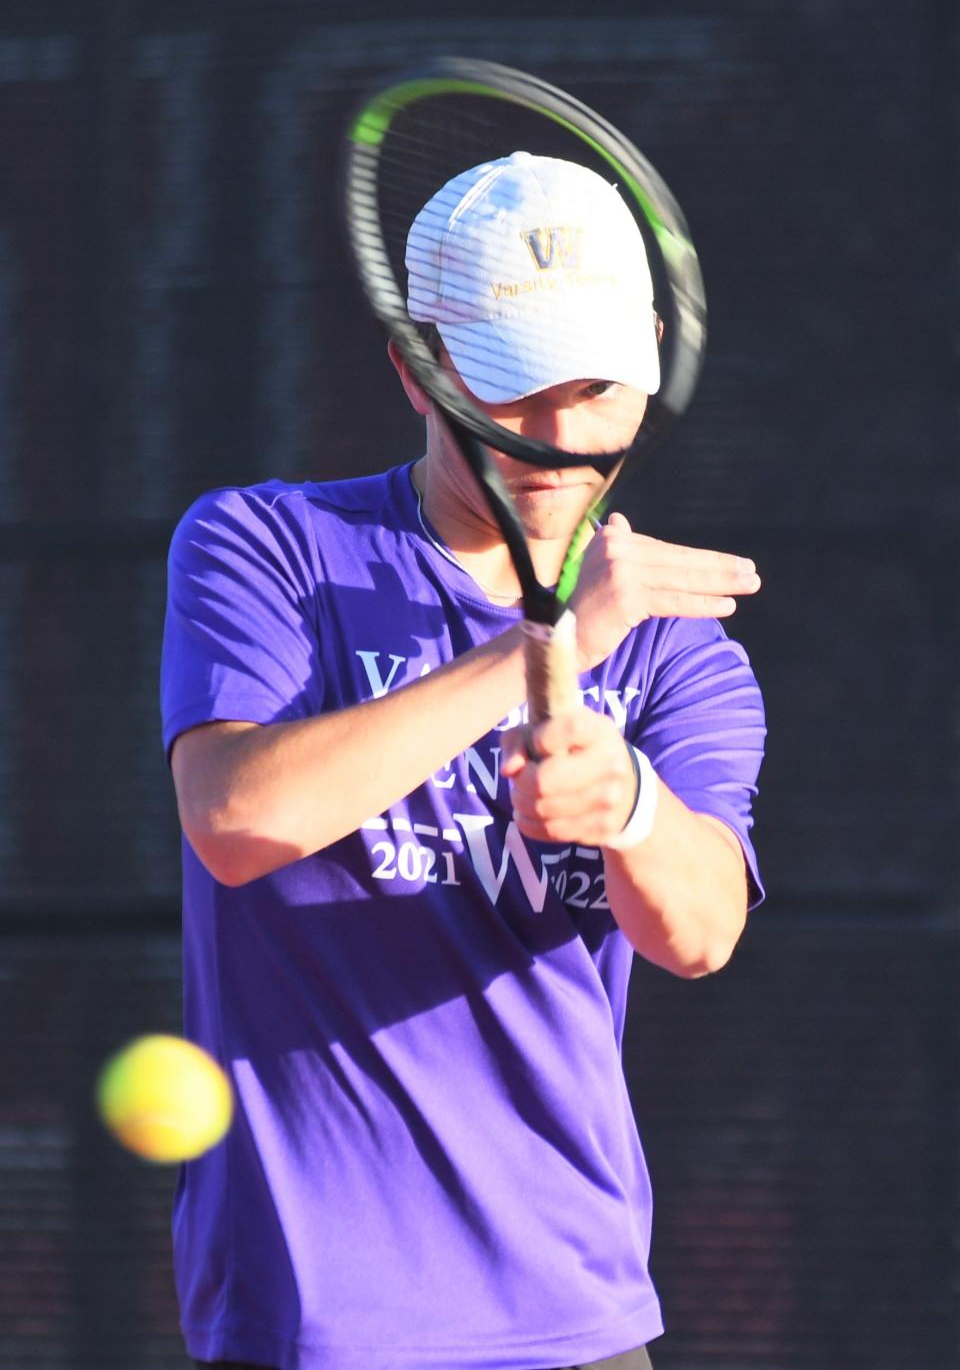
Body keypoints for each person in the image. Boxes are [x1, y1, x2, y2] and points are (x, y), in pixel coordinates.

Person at [161, 151, 765, 1370]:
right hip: (303, 1327)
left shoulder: (684, 652)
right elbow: (234, 818)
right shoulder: (266, 544)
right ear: (418, 366)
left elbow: (700, 931)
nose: (554, 436)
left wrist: (631, 805)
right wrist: (547, 645)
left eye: (597, 388)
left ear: (651, 350)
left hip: (578, 1329)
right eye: (509, 386)